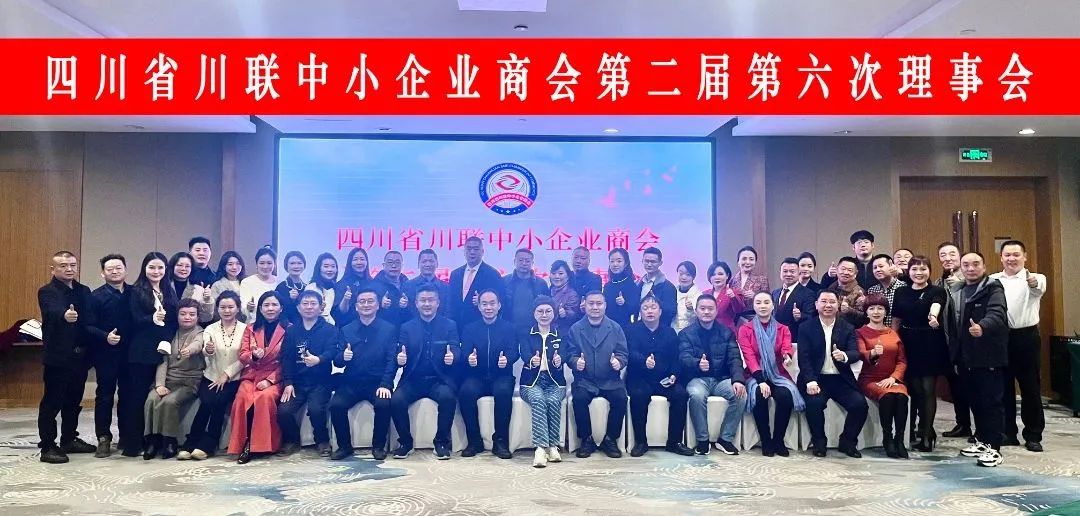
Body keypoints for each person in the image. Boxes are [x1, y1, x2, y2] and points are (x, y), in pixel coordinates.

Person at [946, 252, 1008, 467]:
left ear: (984, 266)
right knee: (975, 401)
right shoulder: (957, 290)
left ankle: (995, 448)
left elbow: (997, 313)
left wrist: (983, 327)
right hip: (966, 356)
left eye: (975, 264)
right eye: (966, 265)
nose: (970, 268)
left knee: (991, 403)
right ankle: (982, 441)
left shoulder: (993, 288)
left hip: (988, 355)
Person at [36, 250, 98, 464]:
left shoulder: (83, 290)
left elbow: (90, 318)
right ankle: (47, 446)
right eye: (63, 266)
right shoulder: (47, 291)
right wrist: (65, 314)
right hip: (58, 357)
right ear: (53, 269)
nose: (69, 269)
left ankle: (69, 439)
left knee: (73, 400)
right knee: (52, 402)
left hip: (80, 357)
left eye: (72, 265)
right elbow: (52, 309)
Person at [390, 286, 460, 460]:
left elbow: (456, 348)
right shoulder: (406, 327)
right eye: (423, 300)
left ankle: (441, 442)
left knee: (448, 398)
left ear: (438, 303)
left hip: (439, 379)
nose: (427, 304)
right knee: (396, 400)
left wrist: (453, 357)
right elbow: (400, 352)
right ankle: (405, 442)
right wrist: (400, 359)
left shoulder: (449, 325)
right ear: (416, 303)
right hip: (413, 379)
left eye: (431, 300)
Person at [990, 240, 1047, 452]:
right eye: (1007, 255)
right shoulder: (993, 280)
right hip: (1000, 338)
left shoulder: (1036, 277)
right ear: (1001, 257)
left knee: (1030, 387)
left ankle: (1033, 435)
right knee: (1003, 387)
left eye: (1016, 255)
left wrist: (1031, 282)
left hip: (1026, 337)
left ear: (1025, 256)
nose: (1011, 259)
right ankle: (1008, 433)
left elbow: (1037, 288)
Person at [120, 252, 178, 458]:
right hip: (141, 350)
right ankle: (133, 443)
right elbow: (132, 320)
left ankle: (157, 440)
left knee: (159, 396)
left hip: (163, 349)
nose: (156, 271)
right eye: (152, 267)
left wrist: (168, 339)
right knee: (137, 398)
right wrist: (151, 318)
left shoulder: (168, 290)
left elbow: (173, 320)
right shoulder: (136, 291)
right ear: (144, 269)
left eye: (160, 267)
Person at [798, 289, 868, 459]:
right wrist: (810, 381)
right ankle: (819, 442)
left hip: (840, 378)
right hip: (816, 378)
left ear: (838, 305)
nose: (828, 305)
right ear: (816, 305)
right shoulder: (806, 327)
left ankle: (848, 442)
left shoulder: (847, 327)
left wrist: (844, 356)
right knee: (814, 404)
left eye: (832, 302)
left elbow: (855, 353)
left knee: (860, 405)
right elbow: (804, 358)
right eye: (824, 301)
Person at [330, 289, 398, 460]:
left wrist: (385, 384)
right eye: (362, 301)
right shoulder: (346, 330)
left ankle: (378, 446)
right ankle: (344, 447)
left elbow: (392, 360)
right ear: (356, 306)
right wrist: (343, 357)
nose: (366, 305)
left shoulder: (389, 329)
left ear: (378, 305)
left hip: (377, 382)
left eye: (370, 301)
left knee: (383, 404)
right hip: (351, 382)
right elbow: (337, 362)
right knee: (336, 405)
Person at [891, 256, 949, 452]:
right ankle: (915, 429)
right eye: (915, 269)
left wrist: (933, 316)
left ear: (929, 271)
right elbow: (896, 318)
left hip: (930, 341)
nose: (919, 273)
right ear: (908, 271)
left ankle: (927, 433)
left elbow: (936, 305)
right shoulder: (901, 291)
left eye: (923, 269)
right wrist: (893, 340)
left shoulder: (936, 290)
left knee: (927, 389)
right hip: (907, 341)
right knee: (914, 389)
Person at [180, 291, 246, 460]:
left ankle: (208, 444)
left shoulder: (245, 329)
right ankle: (191, 442)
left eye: (230, 307)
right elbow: (206, 351)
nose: (227, 311)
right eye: (223, 307)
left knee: (219, 401)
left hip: (234, 378)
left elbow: (245, 358)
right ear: (217, 309)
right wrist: (208, 350)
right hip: (211, 375)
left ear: (238, 308)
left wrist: (227, 374)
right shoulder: (211, 328)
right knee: (206, 402)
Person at [626, 295, 694, 457]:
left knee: (681, 395)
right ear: (640, 312)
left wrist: (674, 374)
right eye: (645, 308)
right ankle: (641, 442)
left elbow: (676, 357)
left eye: (653, 307)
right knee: (639, 395)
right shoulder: (631, 330)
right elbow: (629, 353)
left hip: (663, 378)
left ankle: (674, 442)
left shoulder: (669, 332)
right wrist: (643, 361)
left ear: (660, 311)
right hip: (639, 377)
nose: (650, 311)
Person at [680, 294, 746, 455]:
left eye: (710, 309)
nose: (706, 312)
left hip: (720, 379)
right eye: (702, 308)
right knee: (696, 395)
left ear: (716, 311)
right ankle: (703, 440)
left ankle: (725, 439)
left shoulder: (726, 333)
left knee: (740, 394)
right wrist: (697, 363)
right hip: (697, 379)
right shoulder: (686, 333)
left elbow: (735, 358)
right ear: (696, 311)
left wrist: (738, 380)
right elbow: (683, 357)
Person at [739, 292, 803, 457]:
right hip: (755, 375)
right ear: (753, 306)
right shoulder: (745, 329)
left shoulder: (783, 329)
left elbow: (786, 348)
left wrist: (787, 356)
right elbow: (749, 356)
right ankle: (766, 440)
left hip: (778, 374)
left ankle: (778, 440)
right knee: (760, 395)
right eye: (758, 302)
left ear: (773, 305)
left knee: (785, 396)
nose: (763, 306)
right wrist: (761, 380)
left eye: (766, 302)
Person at [566, 291, 629, 458]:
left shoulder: (615, 328)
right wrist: (575, 362)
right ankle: (586, 440)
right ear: (584, 305)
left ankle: (610, 439)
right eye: (591, 303)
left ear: (605, 305)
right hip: (584, 380)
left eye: (599, 303)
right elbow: (570, 354)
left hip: (610, 379)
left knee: (621, 398)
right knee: (579, 399)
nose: (595, 307)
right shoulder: (575, 329)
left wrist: (619, 362)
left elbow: (623, 353)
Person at [277, 290, 340, 457]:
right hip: (297, 382)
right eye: (305, 303)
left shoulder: (330, 329)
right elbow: (286, 358)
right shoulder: (292, 331)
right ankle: (292, 441)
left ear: (321, 307)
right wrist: (288, 383)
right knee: (284, 411)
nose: (309, 307)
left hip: (321, 381)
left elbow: (333, 351)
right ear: (298, 308)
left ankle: (322, 441)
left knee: (316, 409)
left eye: (313, 303)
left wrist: (319, 359)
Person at [458, 290, 519, 459]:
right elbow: (464, 352)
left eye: (492, 303)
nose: (488, 307)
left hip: (502, 375)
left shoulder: (509, 328)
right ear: (479, 306)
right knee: (465, 392)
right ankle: (474, 441)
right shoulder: (469, 328)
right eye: (484, 304)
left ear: (499, 305)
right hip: (476, 376)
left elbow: (514, 352)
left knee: (503, 392)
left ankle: (500, 442)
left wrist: (507, 359)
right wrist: (469, 359)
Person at [228, 291, 287, 464]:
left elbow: (288, 361)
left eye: (274, 305)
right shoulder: (251, 328)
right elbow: (242, 354)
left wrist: (270, 380)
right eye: (266, 305)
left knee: (264, 397)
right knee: (241, 398)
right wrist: (253, 356)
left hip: (276, 376)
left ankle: (261, 445)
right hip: (252, 375)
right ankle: (243, 443)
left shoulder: (289, 329)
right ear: (260, 309)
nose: (270, 308)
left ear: (281, 308)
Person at [143, 298, 205, 460]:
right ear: (177, 315)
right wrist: (159, 385)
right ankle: (152, 440)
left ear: (198, 317)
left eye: (192, 314)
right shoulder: (170, 333)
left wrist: (190, 350)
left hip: (189, 382)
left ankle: (169, 441)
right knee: (151, 399)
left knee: (170, 401)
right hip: (168, 380)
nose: (187, 317)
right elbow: (163, 361)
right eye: (183, 314)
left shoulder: (200, 333)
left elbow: (198, 345)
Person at [86, 253, 131, 458]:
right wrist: (105, 336)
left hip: (130, 354)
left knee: (128, 396)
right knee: (105, 396)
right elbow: (87, 326)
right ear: (103, 273)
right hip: (106, 354)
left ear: (125, 270)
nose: (115, 271)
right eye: (110, 269)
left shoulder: (135, 293)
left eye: (118, 268)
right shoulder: (95, 297)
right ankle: (103, 437)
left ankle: (126, 435)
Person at [856, 295, 910, 459]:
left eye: (880, 308)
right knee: (888, 397)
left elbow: (902, 361)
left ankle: (899, 439)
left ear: (886, 312)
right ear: (866, 312)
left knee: (901, 397)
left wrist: (893, 378)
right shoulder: (860, 332)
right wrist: (873, 353)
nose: (876, 312)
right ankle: (888, 438)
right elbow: (861, 353)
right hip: (870, 378)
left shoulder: (893, 333)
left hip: (891, 379)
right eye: (872, 308)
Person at [519, 296, 569, 468]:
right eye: (540, 311)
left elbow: (565, 354)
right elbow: (524, 353)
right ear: (534, 313)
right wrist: (531, 361)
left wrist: (560, 360)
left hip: (555, 382)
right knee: (539, 399)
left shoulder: (561, 334)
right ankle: (541, 448)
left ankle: (553, 446)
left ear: (554, 313)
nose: (544, 315)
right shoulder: (526, 334)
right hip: (531, 382)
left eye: (548, 311)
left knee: (553, 400)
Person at [935, 242, 973, 441]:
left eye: (952, 254)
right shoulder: (939, 282)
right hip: (949, 341)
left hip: (971, 341)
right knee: (956, 386)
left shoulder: (971, 280)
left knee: (975, 386)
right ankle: (963, 424)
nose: (947, 258)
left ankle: (985, 428)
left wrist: (961, 284)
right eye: (943, 255)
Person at [448, 237, 503, 328]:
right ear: (464, 252)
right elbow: (450, 301)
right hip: (456, 325)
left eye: (476, 249)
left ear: (482, 252)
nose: (472, 252)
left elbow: (501, 301)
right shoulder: (455, 274)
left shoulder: (492, 274)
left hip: (480, 326)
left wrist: (482, 300)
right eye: (469, 249)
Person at [502, 248, 549, 331]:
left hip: (534, 329)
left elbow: (547, 307)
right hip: (509, 328)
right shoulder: (505, 281)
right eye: (520, 260)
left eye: (527, 261)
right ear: (514, 261)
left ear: (532, 263)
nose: (524, 263)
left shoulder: (541, 284)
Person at [772, 257, 816, 337]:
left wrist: (800, 316)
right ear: (780, 273)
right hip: (775, 337)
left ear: (799, 273)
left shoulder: (808, 294)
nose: (788, 274)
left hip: (795, 337)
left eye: (792, 271)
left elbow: (811, 317)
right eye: (785, 271)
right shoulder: (775, 293)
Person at [403, 249, 450, 320]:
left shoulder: (446, 287)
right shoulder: (408, 286)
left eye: (431, 261)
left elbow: (448, 312)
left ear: (437, 264)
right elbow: (405, 313)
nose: (428, 264)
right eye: (424, 261)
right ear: (418, 264)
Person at [637, 247, 677, 328]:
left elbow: (671, 312)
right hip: (638, 328)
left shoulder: (668, 287)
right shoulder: (638, 284)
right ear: (642, 261)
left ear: (660, 263)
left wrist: (657, 302)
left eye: (653, 262)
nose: (649, 264)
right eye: (646, 261)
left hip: (658, 330)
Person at [201, 251, 245, 323]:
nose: (234, 267)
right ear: (224, 267)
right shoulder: (217, 285)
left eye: (238, 264)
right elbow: (213, 310)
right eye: (230, 264)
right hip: (224, 322)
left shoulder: (246, 282)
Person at [602, 248, 641, 327]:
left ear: (626, 263)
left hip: (625, 328)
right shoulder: (607, 286)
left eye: (619, 261)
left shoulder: (631, 285)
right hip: (607, 327)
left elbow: (636, 310)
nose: (615, 264)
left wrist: (624, 303)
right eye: (612, 261)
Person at [702, 261, 744, 332]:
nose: (716, 277)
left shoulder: (734, 292)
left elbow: (739, 309)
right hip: (707, 332)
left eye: (720, 274)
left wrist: (733, 297)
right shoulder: (705, 294)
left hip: (726, 332)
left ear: (727, 276)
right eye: (713, 274)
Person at [333, 247, 373, 323]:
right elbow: (341, 312)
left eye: (362, 259)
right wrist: (346, 299)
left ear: (366, 262)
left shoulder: (373, 283)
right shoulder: (342, 284)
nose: (359, 262)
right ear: (350, 263)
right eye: (355, 259)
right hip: (348, 326)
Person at [866, 254, 907, 327]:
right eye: (875, 268)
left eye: (881, 266)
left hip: (900, 332)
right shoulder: (872, 290)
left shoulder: (904, 287)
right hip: (877, 332)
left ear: (891, 265)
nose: (878, 270)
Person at [239, 246, 278, 323]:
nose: (265, 266)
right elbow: (243, 309)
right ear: (256, 264)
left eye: (269, 263)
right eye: (262, 263)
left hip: (277, 326)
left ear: (274, 264)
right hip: (254, 324)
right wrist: (248, 307)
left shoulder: (280, 282)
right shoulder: (247, 282)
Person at [372, 250, 410, 326]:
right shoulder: (374, 286)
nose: (394, 266)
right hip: (383, 328)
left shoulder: (408, 284)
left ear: (402, 265)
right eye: (390, 262)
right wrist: (380, 305)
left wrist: (407, 305)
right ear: (383, 265)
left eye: (397, 262)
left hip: (405, 328)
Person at [828, 257, 868, 328]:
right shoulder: (830, 289)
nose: (846, 272)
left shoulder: (860, 292)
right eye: (843, 269)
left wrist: (849, 310)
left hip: (851, 331)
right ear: (837, 270)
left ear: (855, 274)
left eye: (850, 270)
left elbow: (864, 319)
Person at [548, 260, 581, 334]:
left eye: (560, 273)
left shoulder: (572, 294)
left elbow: (573, 315)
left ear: (568, 276)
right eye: (553, 273)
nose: (557, 276)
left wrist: (565, 314)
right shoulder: (548, 290)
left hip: (562, 333)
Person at [305, 252, 339, 325]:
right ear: (319, 268)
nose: (330, 269)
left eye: (333, 266)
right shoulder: (312, 288)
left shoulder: (336, 288)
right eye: (326, 266)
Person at [275, 251, 307, 325]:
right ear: (286, 266)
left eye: (299, 263)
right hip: (286, 326)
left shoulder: (307, 287)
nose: (296, 266)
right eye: (292, 263)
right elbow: (278, 310)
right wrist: (291, 300)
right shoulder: (281, 287)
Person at [672, 261, 702, 332]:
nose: (684, 277)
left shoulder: (699, 296)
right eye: (681, 274)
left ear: (693, 276)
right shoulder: (672, 292)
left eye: (688, 274)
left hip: (690, 333)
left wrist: (690, 310)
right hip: (673, 331)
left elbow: (700, 319)